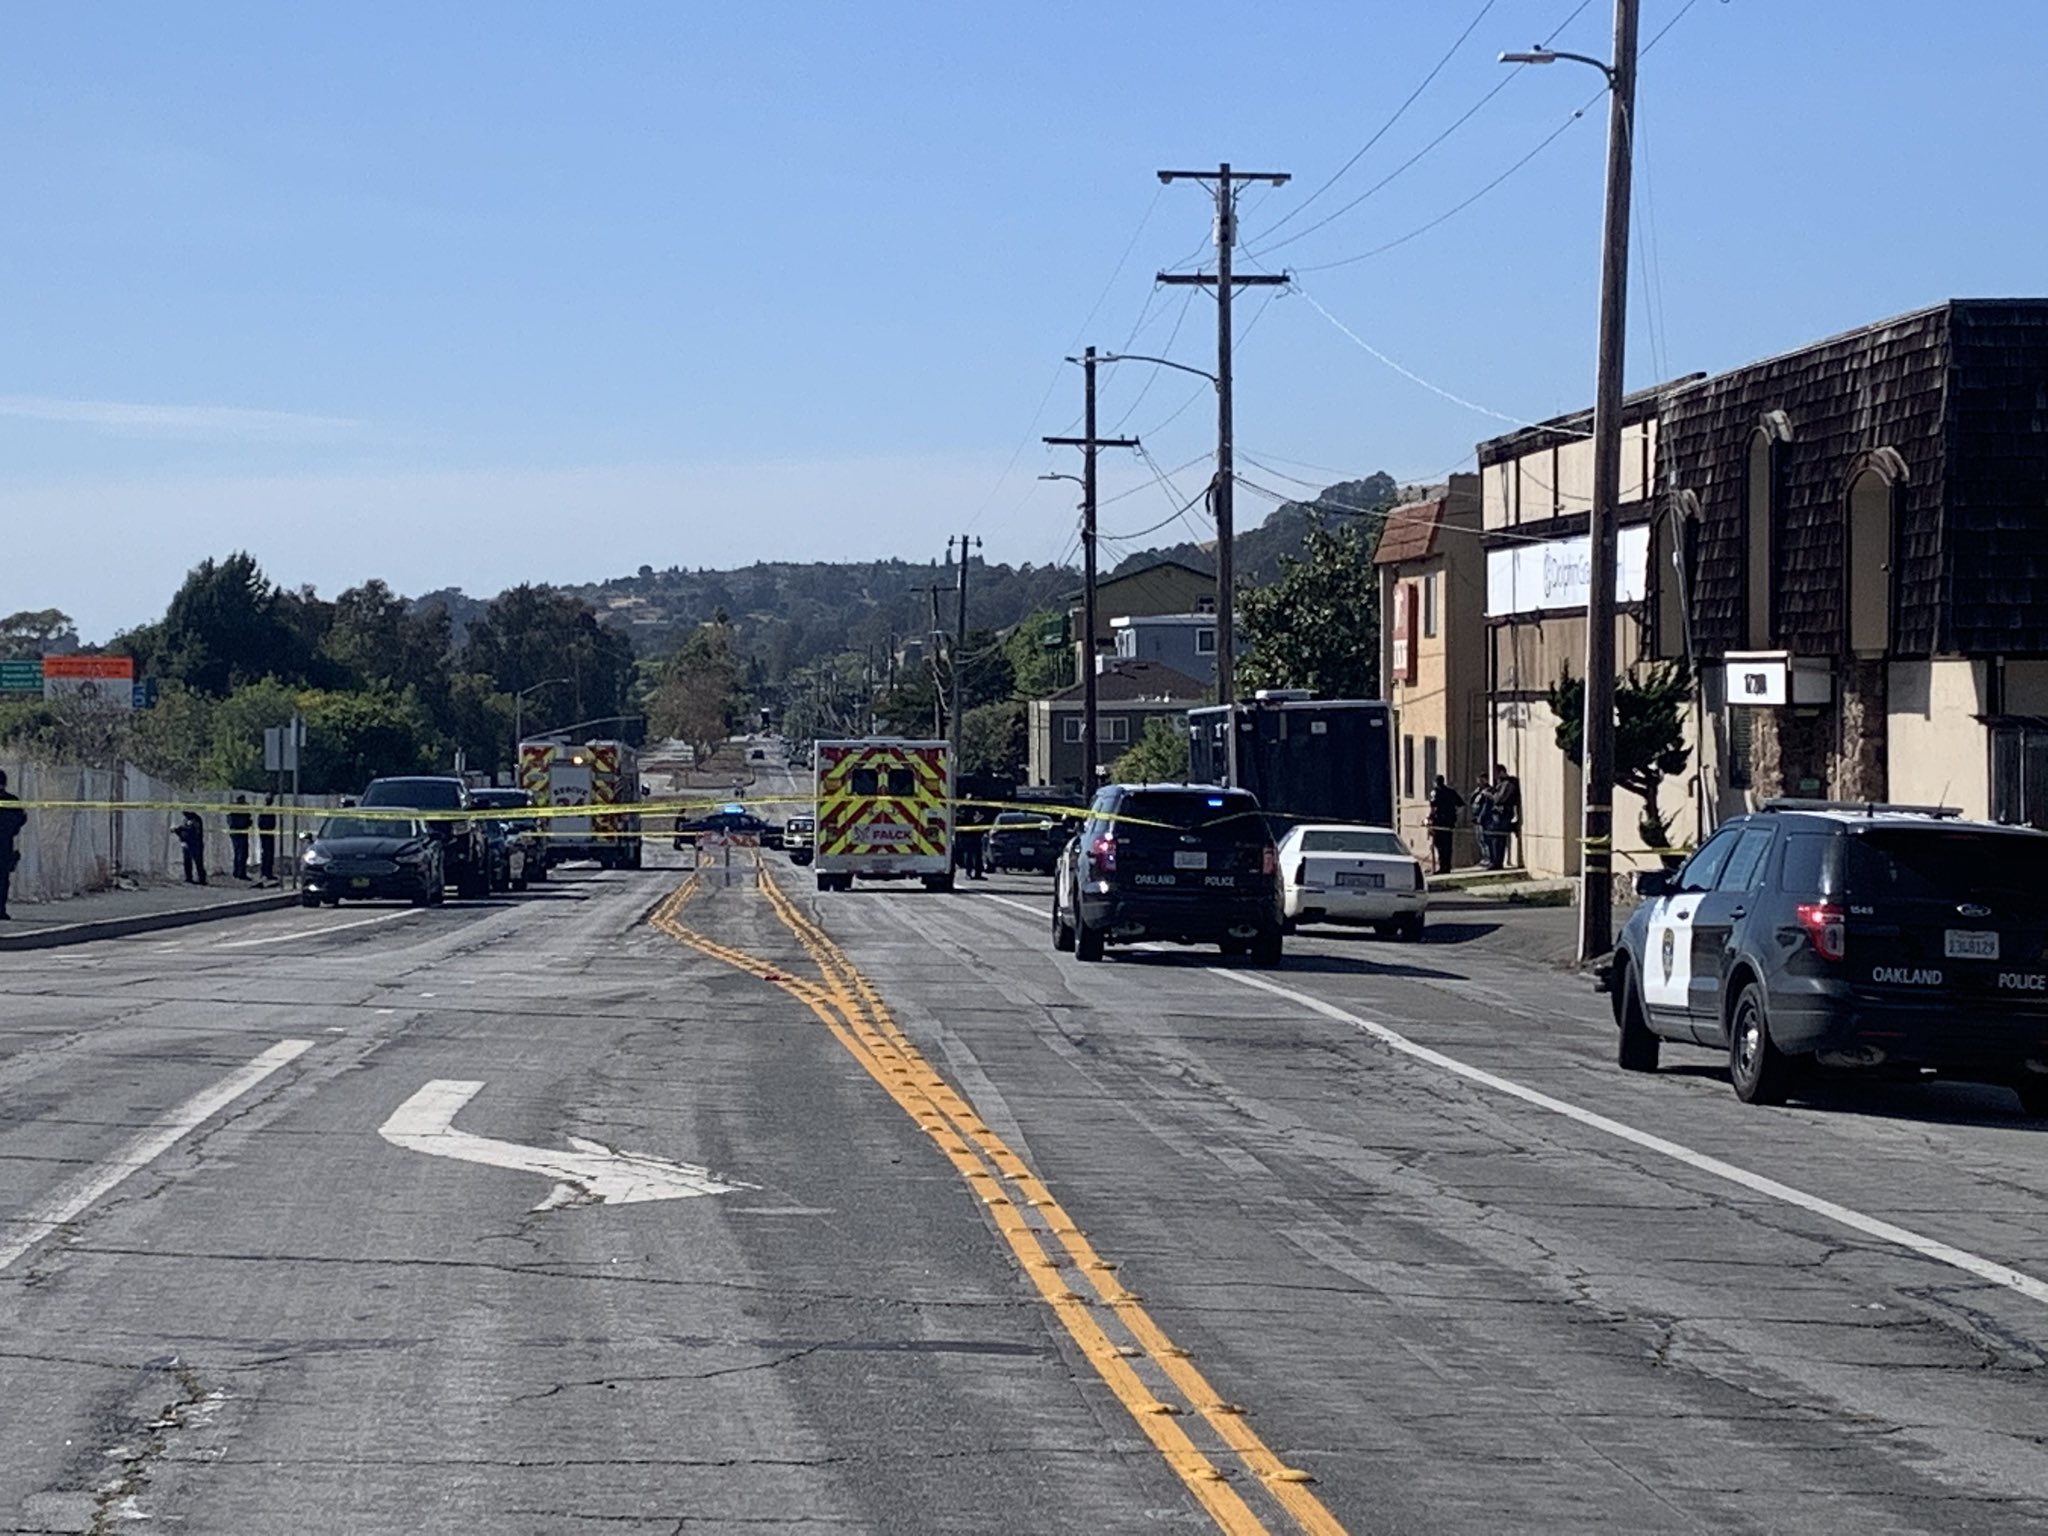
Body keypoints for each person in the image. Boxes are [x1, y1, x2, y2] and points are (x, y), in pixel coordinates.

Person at [1425, 774, 1464, 876]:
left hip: (1439, 822)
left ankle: (1443, 867)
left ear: (1435, 783)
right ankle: (1448, 866)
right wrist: (1454, 815)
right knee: (1448, 845)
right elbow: (1461, 804)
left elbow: (1433, 807)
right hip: (1449, 823)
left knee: (1440, 845)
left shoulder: (1435, 792)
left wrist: (1430, 818)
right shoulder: (1451, 792)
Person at [0, 768, 25, 920]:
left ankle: (1, 909)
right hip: (5, 844)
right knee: (2, 880)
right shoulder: (12, 801)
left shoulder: (12, 801)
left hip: (4, 845)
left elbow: (20, 819)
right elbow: (21, 819)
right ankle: (0, 910)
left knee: (2, 880)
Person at [1489, 763, 1522, 871]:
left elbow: (1500, 798)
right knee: (1494, 839)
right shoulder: (1501, 784)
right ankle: (1494, 861)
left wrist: (1490, 795)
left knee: (1499, 839)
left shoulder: (1508, 783)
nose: (1495, 777)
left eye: (1497, 774)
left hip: (1503, 813)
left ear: (1502, 772)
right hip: (1497, 814)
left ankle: (1498, 862)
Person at [175, 810, 208, 885]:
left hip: (195, 844)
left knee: (198, 862)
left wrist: (182, 829)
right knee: (187, 861)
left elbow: (194, 832)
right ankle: (188, 877)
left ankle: (202, 879)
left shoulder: (196, 819)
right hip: (186, 843)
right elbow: (184, 832)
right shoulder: (186, 820)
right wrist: (178, 832)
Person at [1470, 779, 1496, 870]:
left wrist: (1481, 817)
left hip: (1483, 819)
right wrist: (1475, 792)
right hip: (1476, 817)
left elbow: (1486, 806)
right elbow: (1472, 801)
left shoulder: (1487, 792)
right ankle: (1484, 858)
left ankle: (1489, 858)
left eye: (1481, 780)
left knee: (1485, 840)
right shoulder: (1479, 792)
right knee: (1479, 840)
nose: (1478, 782)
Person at [227, 795, 252, 881]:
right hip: (240, 834)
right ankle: (240, 873)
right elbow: (243, 822)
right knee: (242, 853)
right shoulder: (238, 811)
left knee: (238, 853)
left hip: (237, 833)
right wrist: (247, 822)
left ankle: (237, 872)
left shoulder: (233, 810)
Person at [257, 795, 279, 883]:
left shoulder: (268, 810)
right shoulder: (266, 810)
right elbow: (261, 823)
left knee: (268, 854)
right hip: (266, 834)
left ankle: (267, 872)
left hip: (268, 834)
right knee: (267, 853)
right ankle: (265, 872)